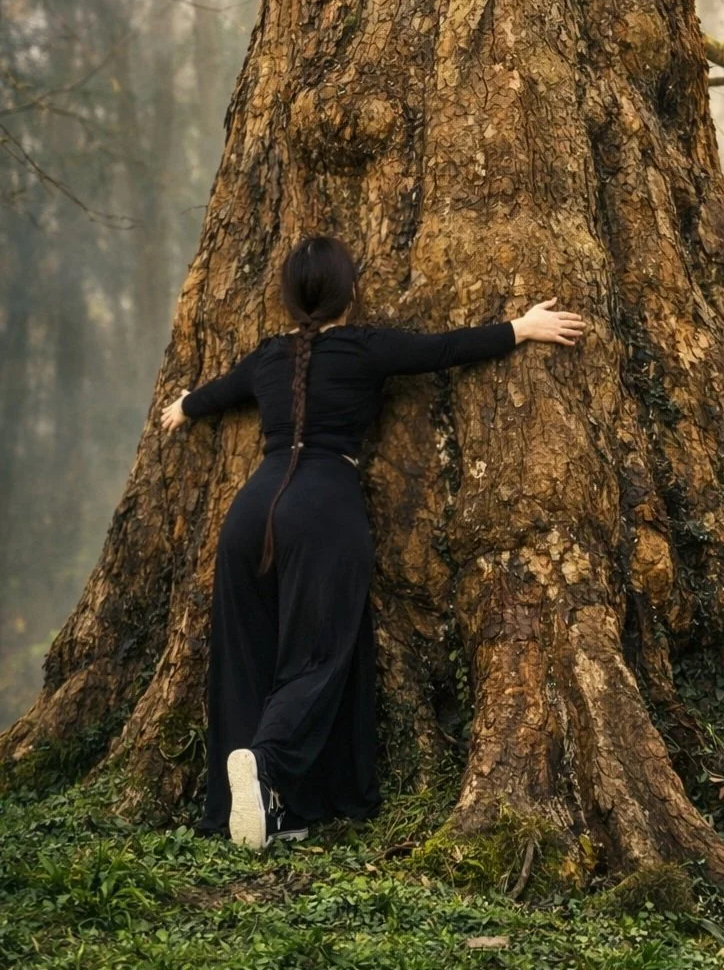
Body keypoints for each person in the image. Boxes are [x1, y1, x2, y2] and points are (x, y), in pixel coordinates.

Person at [161, 234, 585, 849]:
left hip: (251, 511)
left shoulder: (268, 357)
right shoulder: (366, 347)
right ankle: (266, 763)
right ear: (350, 292)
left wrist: (184, 407)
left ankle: (258, 806)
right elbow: (443, 350)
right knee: (317, 654)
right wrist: (520, 327)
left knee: (245, 656)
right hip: (323, 507)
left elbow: (217, 394)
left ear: (287, 298)